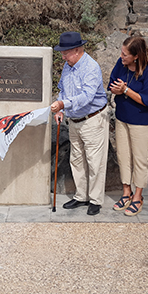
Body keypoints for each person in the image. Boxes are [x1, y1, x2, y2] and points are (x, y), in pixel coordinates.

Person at [51, 31, 108, 216]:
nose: (63, 56)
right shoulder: (68, 66)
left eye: (66, 53)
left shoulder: (91, 67)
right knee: (76, 159)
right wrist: (60, 109)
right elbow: (62, 89)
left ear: (77, 50)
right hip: (74, 120)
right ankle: (81, 195)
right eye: (62, 53)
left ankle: (95, 200)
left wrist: (63, 104)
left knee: (94, 161)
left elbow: (86, 97)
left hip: (92, 119)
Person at [108, 36, 148, 216]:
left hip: (141, 120)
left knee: (140, 159)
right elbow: (112, 83)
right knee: (123, 156)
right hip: (122, 117)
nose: (121, 56)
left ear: (136, 56)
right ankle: (126, 192)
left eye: (125, 54)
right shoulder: (121, 64)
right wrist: (116, 89)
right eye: (121, 53)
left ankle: (138, 196)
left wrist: (125, 90)